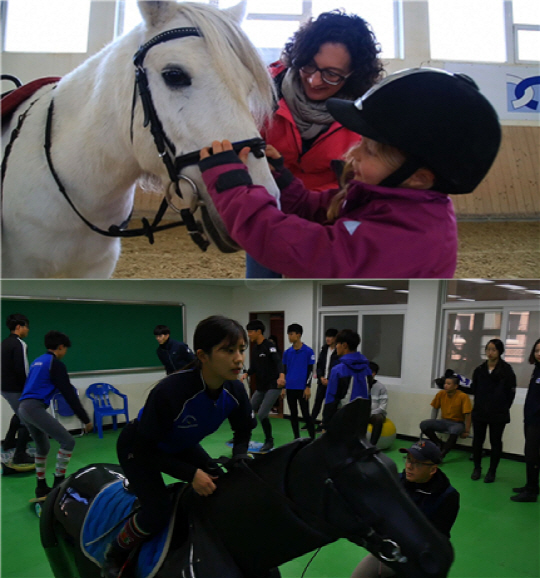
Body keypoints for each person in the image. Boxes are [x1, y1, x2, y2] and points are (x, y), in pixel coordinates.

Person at [198, 67, 501, 278]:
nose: (351, 154)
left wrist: (231, 184)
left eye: (369, 150)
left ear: (418, 177)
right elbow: (319, 209)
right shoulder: (384, 199)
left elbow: (301, 250)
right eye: (360, 143)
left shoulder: (404, 235)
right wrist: (281, 178)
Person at [102, 316, 254, 578]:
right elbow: (145, 450)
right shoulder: (170, 391)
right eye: (228, 351)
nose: (239, 359)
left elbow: (243, 430)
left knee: (218, 483)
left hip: (180, 444)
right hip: (139, 448)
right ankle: (114, 552)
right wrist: (191, 474)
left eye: (241, 350)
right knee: (156, 512)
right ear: (202, 356)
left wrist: (239, 457)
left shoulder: (235, 390)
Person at [246, 10, 384, 279]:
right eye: (308, 65)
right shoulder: (261, 88)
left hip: (325, 218)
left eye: (332, 74)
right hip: (269, 212)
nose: (314, 80)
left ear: (353, 75)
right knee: (262, 286)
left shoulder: (367, 113)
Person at [350, 440, 460, 578]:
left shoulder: (447, 496)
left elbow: (436, 538)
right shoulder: (396, 481)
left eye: (417, 463)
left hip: (420, 559)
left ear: (432, 469)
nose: (409, 466)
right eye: (408, 460)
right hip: (391, 549)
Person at [18, 331, 93, 498]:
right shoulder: (55, 364)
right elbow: (68, 393)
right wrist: (85, 419)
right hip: (34, 407)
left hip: (23, 407)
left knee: (43, 446)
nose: (65, 352)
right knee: (68, 441)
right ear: (60, 347)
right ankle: (59, 482)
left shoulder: (38, 361)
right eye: (65, 349)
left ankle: (41, 486)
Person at [470, 339, 516, 483]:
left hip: (498, 413)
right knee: (478, 441)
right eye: (488, 349)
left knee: (495, 442)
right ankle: (477, 468)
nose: (490, 353)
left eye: (493, 350)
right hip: (479, 412)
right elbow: (474, 389)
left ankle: (492, 471)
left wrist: (503, 407)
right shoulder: (479, 370)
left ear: (500, 351)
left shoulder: (507, 370)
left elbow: (511, 393)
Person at [243, 320, 284, 452]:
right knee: (248, 412)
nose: (248, 335)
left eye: (250, 332)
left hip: (273, 385)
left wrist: (282, 376)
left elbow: (278, 362)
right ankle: (242, 437)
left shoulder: (270, 346)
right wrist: (246, 374)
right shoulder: (255, 348)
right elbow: (254, 367)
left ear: (258, 332)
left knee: (262, 414)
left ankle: (269, 441)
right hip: (261, 387)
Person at [1, 313, 34, 464]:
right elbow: (22, 369)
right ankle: (20, 455)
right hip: (15, 388)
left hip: (5, 387)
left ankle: (8, 442)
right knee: (28, 419)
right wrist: (28, 389)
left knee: (19, 413)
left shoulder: (4, 342)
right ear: (19, 327)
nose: (28, 330)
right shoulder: (20, 344)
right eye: (26, 327)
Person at [321, 329, 371, 430]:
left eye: (337, 344)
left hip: (341, 420)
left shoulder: (338, 370)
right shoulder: (367, 369)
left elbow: (331, 398)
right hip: (361, 419)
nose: (336, 347)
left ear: (344, 345)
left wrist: (326, 423)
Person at [511, 338, 540, 502]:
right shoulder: (537, 369)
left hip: (538, 421)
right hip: (530, 419)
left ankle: (531, 492)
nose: (539, 354)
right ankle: (532, 485)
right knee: (531, 454)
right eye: (536, 350)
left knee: (531, 455)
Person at [420, 374, 472, 459]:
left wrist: (467, 430)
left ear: (455, 386)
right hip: (443, 421)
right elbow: (435, 408)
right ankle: (438, 443)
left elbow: (468, 414)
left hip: (457, 423)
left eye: (448, 384)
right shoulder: (441, 394)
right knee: (423, 424)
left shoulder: (463, 396)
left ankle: (442, 454)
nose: (445, 386)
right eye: (445, 383)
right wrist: (433, 421)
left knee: (455, 430)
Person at [281, 323, 316, 440]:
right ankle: (296, 438)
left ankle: (312, 438)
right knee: (293, 415)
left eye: (291, 334)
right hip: (290, 387)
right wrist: (283, 387)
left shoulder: (308, 351)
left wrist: (308, 386)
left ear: (298, 335)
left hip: (302, 388)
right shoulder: (287, 353)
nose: (289, 337)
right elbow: (284, 370)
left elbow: (311, 371)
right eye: (288, 334)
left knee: (306, 415)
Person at [308, 328, 338, 432]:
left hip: (332, 382)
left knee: (328, 405)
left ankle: (323, 424)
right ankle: (310, 422)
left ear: (335, 338)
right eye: (326, 337)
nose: (327, 339)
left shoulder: (338, 352)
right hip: (322, 381)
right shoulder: (324, 349)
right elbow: (319, 364)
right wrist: (320, 377)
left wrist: (330, 379)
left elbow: (337, 367)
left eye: (330, 337)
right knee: (317, 402)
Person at [368, 361, 388, 446]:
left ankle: (372, 445)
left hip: (375, 414)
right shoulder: (360, 385)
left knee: (378, 419)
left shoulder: (380, 387)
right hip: (362, 413)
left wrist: (371, 413)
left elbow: (383, 406)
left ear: (373, 373)